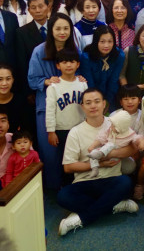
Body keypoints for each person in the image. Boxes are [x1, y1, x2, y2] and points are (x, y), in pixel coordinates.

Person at [57, 88, 139, 235]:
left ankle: (81, 219)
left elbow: (132, 149)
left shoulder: (115, 123)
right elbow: (68, 167)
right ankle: (114, 205)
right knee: (63, 196)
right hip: (85, 181)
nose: (93, 106)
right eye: (88, 103)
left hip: (111, 179)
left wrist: (109, 154)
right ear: (82, 106)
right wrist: (99, 164)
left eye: (97, 101)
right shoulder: (75, 132)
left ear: (104, 104)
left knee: (126, 183)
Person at [28, 13, 81, 189]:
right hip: (47, 106)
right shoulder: (39, 51)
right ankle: (53, 188)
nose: (62, 32)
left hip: (71, 107)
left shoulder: (74, 50)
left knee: (73, 148)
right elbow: (32, 79)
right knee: (50, 150)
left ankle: (75, 185)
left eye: (66, 28)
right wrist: (47, 81)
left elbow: (80, 73)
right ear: (51, 30)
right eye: (58, 28)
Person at [45, 48, 87, 186]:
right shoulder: (53, 86)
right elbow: (50, 110)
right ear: (58, 65)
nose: (68, 65)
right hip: (62, 130)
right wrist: (51, 131)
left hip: (81, 128)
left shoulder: (82, 83)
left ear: (78, 64)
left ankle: (82, 185)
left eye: (72, 61)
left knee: (82, 157)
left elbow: (87, 106)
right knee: (66, 160)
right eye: (64, 62)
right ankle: (66, 188)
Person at [15, 0, 49, 134]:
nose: (38, 10)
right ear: (29, 10)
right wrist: (28, 92)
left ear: (48, 7)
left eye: (41, 6)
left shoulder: (58, 27)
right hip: (35, 87)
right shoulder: (21, 33)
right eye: (33, 8)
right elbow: (21, 64)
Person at [87, 110, 144, 178]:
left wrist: (141, 143)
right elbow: (101, 138)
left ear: (119, 127)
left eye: (113, 125)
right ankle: (95, 169)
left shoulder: (129, 133)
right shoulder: (110, 130)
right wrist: (92, 146)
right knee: (93, 152)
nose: (111, 126)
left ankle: (100, 155)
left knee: (111, 145)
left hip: (119, 153)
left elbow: (137, 138)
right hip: (106, 150)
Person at [80, 26, 125, 112]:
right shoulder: (86, 57)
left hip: (111, 96)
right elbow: (90, 84)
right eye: (102, 42)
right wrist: (97, 102)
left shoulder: (119, 55)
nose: (106, 45)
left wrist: (107, 102)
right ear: (96, 41)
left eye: (110, 41)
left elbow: (113, 80)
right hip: (92, 96)